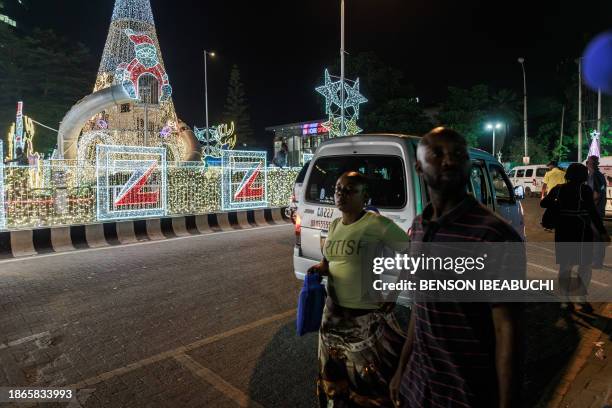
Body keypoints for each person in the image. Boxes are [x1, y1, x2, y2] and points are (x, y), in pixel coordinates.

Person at [390, 127, 522, 408]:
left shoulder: (494, 236)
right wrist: (402, 367)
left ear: (468, 164)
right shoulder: (419, 227)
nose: (449, 161)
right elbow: (420, 306)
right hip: (419, 387)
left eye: (458, 154)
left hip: (466, 394)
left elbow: (507, 331)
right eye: (437, 154)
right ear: (418, 166)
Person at [308, 171, 410, 407]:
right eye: (338, 189)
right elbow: (329, 262)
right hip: (332, 316)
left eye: (349, 190)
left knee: (366, 385)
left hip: (362, 320)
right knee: (333, 380)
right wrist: (319, 268)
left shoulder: (377, 224)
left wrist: (393, 292)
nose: (341, 194)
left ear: (365, 197)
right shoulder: (334, 225)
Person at [541, 163, 609, 312]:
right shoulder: (584, 190)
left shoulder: (558, 189)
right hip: (582, 231)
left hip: (563, 231)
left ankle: (565, 299)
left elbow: (543, 203)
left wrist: (558, 205)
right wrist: (603, 232)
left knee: (565, 266)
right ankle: (581, 298)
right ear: (583, 176)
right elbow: (593, 213)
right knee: (584, 265)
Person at [586, 155, 607, 268]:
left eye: (588, 162)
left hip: (595, 211)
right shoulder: (600, 175)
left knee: (596, 236)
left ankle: (597, 262)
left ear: (590, 164)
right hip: (599, 210)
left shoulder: (593, 176)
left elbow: (596, 194)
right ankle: (597, 261)